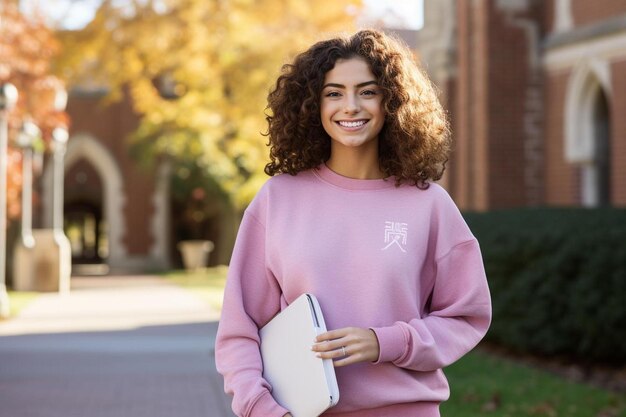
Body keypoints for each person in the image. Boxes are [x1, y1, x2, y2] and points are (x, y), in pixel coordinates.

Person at [215, 29, 491, 417]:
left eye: (367, 91)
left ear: (391, 101)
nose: (351, 106)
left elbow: (467, 314)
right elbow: (238, 329)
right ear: (312, 104)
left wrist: (388, 342)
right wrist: (259, 408)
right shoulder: (278, 200)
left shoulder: (429, 205)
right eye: (333, 93)